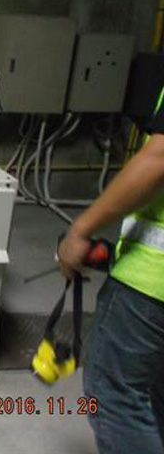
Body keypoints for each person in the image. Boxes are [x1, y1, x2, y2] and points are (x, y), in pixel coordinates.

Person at [59, 85, 164, 454]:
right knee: (155, 389)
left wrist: (81, 229)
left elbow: (158, 159)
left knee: (113, 395)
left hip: (152, 283)